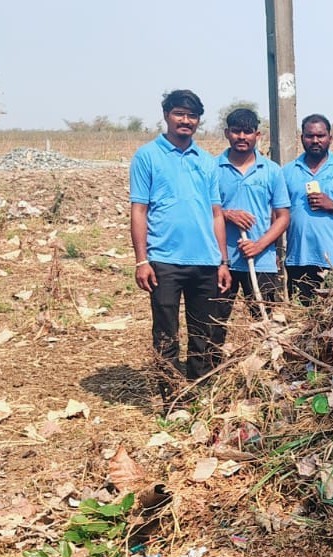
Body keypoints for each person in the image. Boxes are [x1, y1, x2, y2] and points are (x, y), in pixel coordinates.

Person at [130, 89, 230, 391]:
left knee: (203, 333)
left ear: (199, 120)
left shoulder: (207, 161)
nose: (185, 120)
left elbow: (216, 213)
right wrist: (142, 260)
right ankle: (171, 398)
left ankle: (198, 393)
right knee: (166, 333)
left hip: (205, 262)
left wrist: (223, 261)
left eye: (192, 115)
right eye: (179, 114)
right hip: (164, 262)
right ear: (166, 116)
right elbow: (139, 210)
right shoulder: (147, 156)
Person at [214, 107, 290, 330]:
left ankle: (266, 362)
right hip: (222, 261)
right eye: (236, 131)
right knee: (215, 322)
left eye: (247, 132)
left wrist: (259, 246)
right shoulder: (211, 168)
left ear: (257, 135)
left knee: (265, 321)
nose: (241, 137)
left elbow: (283, 217)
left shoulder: (272, 171)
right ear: (227, 133)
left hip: (261, 260)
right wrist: (226, 214)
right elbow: (202, 210)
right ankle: (213, 362)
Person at [282, 114, 333, 302]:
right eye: (310, 136)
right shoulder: (288, 171)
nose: (315, 141)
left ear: (330, 138)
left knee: (332, 321)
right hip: (298, 260)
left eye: (320, 136)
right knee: (300, 320)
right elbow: (278, 213)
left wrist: (332, 205)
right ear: (302, 138)